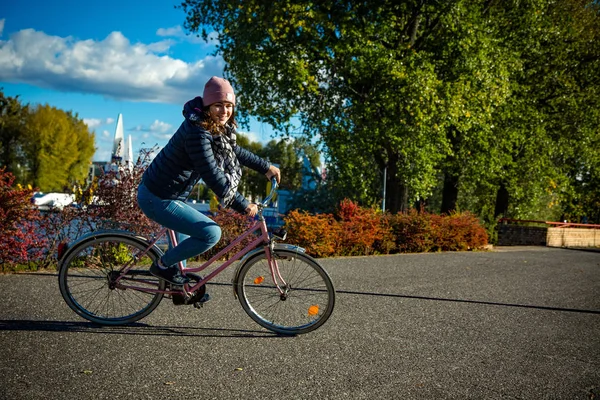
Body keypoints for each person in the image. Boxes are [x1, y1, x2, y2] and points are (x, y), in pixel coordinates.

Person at [137, 76, 281, 285]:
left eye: (229, 106)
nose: (224, 111)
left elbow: (235, 151)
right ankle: (160, 266)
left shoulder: (212, 128)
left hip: (171, 196)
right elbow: (211, 173)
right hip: (158, 197)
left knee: (181, 263)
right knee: (210, 233)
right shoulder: (197, 132)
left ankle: (179, 290)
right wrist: (242, 204)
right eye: (218, 105)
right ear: (207, 106)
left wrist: (265, 166)